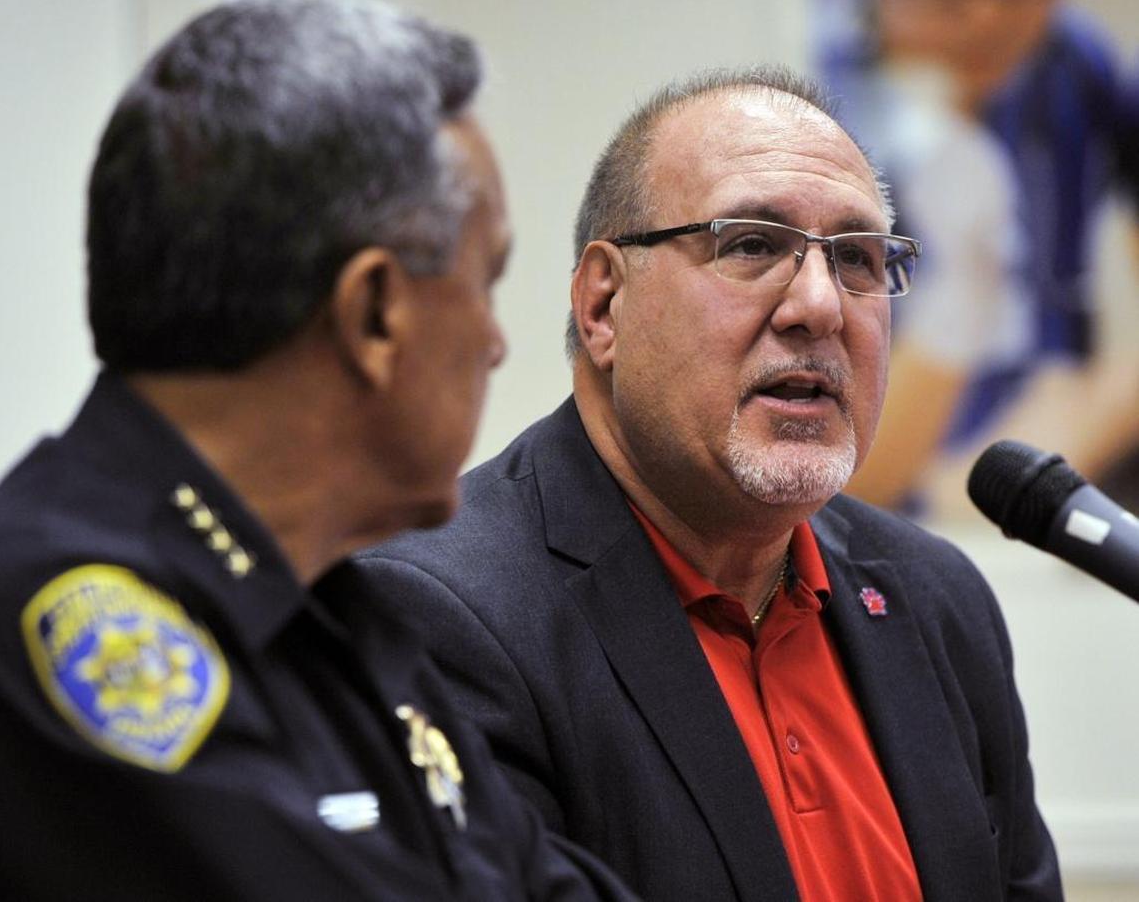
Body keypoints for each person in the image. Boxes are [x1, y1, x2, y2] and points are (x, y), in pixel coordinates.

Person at [357, 67, 1062, 900]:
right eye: (753, 244)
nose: (819, 305)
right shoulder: (441, 614)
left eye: (859, 259)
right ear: (603, 304)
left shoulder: (938, 599)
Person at [0, 0, 636, 901]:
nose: (496, 342)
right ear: (375, 312)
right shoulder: (68, 627)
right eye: (483, 281)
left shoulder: (338, 613)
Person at [816, 0, 1139, 517]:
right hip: (889, 473)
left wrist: (1101, 403)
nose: (990, 20)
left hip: (1044, 435)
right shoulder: (814, 88)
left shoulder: (1072, 63)